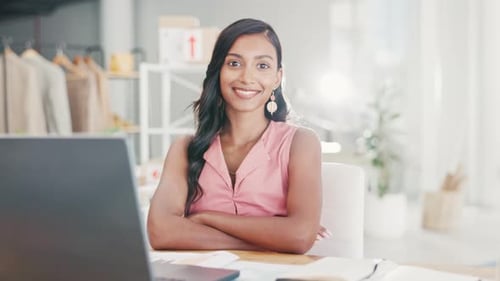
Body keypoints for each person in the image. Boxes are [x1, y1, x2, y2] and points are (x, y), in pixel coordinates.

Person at [147, 18, 325, 254]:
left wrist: (206, 218)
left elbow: (300, 236)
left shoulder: (300, 143)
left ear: (277, 78)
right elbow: (161, 232)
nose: (247, 78)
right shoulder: (184, 148)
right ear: (218, 71)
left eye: (262, 66)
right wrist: (272, 240)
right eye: (234, 63)